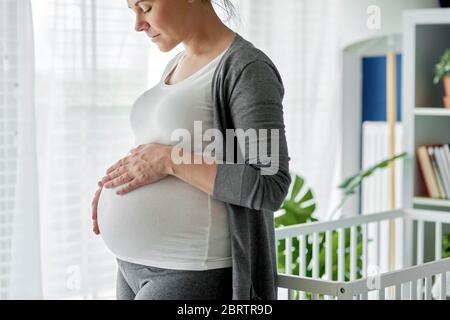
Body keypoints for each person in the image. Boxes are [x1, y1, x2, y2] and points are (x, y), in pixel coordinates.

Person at [91, 0, 291, 300]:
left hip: (191, 269)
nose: (138, 24)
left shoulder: (247, 69)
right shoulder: (176, 64)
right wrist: (119, 181)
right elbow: (163, 145)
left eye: (145, 7)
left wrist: (170, 161)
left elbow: (269, 185)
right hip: (131, 267)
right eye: (132, 10)